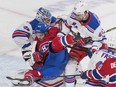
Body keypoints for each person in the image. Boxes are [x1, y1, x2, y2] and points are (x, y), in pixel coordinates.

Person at [52, 2, 107, 87]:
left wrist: (94, 49)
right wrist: (62, 34)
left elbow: (98, 41)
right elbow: (67, 25)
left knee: (101, 67)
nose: (77, 17)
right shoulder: (73, 16)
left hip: (92, 46)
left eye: (79, 15)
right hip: (79, 46)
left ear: (85, 13)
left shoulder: (94, 25)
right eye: (76, 14)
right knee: (69, 67)